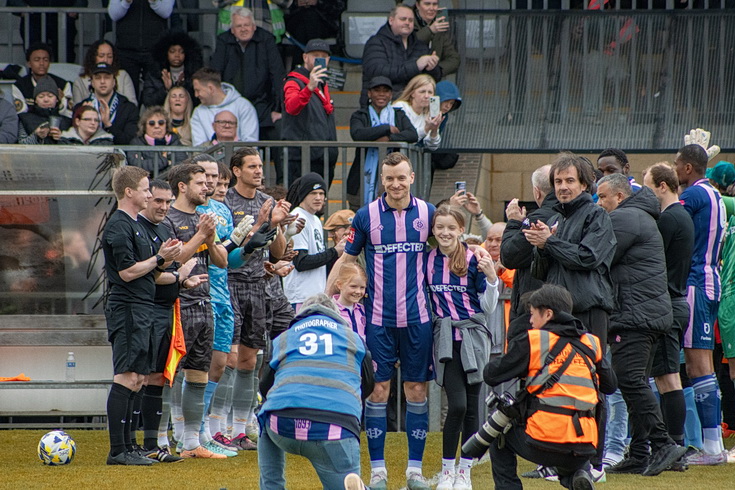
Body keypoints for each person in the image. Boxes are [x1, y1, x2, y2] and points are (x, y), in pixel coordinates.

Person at [331, 152, 435, 490]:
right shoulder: (366, 215)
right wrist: (323, 300)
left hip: (418, 318)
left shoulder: (428, 214)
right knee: (378, 390)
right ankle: (378, 472)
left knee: (416, 389)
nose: (395, 184)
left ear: (412, 178)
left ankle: (414, 472)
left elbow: (450, 248)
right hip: (377, 320)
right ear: (382, 181)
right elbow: (347, 259)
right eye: (389, 178)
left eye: (401, 177)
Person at [523, 152, 616, 477]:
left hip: (588, 312)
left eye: (569, 181)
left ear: (585, 183)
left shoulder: (597, 216)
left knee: (590, 385)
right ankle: (558, 459)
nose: (563, 187)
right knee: (554, 385)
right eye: (558, 182)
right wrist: (538, 246)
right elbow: (541, 269)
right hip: (556, 315)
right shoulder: (552, 219)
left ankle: (593, 463)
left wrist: (550, 242)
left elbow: (588, 258)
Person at [595, 174, 686, 476]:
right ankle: (638, 453)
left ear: (619, 197)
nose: (599, 203)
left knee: (630, 379)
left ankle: (663, 444)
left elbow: (597, 257)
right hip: (645, 312)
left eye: (602, 197)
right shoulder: (639, 215)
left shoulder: (625, 218)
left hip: (635, 315)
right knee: (636, 380)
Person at [484, 284, 617, 490]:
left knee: (498, 433)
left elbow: (492, 375)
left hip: (544, 440)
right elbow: (610, 386)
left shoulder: (535, 341)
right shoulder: (591, 342)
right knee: (569, 453)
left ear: (547, 314)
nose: (530, 321)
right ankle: (577, 475)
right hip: (586, 445)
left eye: (532, 314)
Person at [101, 165, 182, 465]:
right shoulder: (119, 226)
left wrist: (166, 260)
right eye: (146, 189)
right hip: (127, 308)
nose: (150, 194)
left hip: (144, 307)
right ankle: (117, 450)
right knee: (126, 376)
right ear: (129, 191)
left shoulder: (135, 224)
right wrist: (160, 258)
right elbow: (126, 271)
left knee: (139, 378)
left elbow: (150, 269)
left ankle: (132, 446)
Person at [257, 293, 374, 489]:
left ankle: (272, 486)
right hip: (335, 426)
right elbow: (368, 384)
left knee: (263, 414)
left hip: (282, 424)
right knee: (343, 480)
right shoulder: (353, 338)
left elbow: (265, 385)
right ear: (337, 315)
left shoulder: (284, 338)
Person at [428, 205, 499, 490]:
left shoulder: (473, 258)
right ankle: (447, 470)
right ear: (433, 230)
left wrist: (492, 278)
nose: (445, 233)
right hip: (446, 341)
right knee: (457, 405)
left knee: (472, 409)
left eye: (451, 227)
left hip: (474, 340)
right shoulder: (426, 259)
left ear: (461, 229)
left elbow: (488, 307)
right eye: (439, 227)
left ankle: (464, 472)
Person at [162, 163, 229, 459]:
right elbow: (173, 261)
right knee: (169, 375)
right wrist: (201, 235)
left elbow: (222, 262)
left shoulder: (203, 219)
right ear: (182, 186)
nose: (207, 187)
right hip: (179, 305)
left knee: (199, 374)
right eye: (200, 183)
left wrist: (210, 238)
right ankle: (161, 439)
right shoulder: (169, 219)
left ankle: (191, 444)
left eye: (207, 182)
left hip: (204, 303)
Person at [225, 147, 290, 451]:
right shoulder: (226, 201)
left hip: (259, 286)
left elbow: (277, 252)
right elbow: (226, 248)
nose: (258, 171)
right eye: (251, 166)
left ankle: (240, 429)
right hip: (231, 282)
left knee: (250, 361)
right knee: (228, 358)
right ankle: (218, 427)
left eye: (260, 166)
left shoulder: (267, 201)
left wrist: (275, 223)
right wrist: (258, 225)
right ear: (236, 170)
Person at [137, 179, 204, 463]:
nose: (164, 207)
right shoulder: (135, 229)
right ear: (146, 199)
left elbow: (169, 273)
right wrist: (178, 276)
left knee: (156, 378)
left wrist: (183, 281)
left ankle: (152, 445)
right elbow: (149, 275)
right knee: (134, 378)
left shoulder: (165, 229)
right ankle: (127, 445)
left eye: (167, 201)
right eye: (158, 201)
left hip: (167, 310)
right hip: (143, 311)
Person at [674, 144, 729, 464]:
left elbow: (668, 214)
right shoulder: (714, 195)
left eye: (677, 166)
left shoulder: (694, 195)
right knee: (703, 365)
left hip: (696, 283)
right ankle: (713, 443)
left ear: (687, 169)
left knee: (698, 366)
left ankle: (711, 448)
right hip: (709, 280)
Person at [643, 162, 695, 462]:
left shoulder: (670, 219)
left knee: (667, 378)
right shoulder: (682, 216)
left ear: (663, 186)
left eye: (650, 187)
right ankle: (674, 445)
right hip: (677, 302)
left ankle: (673, 447)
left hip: (668, 303)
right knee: (667, 377)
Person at [210, 7, 285, 164]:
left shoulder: (266, 39)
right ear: (232, 29)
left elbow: (277, 75)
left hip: (263, 106)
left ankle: (280, 185)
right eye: (239, 26)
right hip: (231, 108)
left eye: (246, 25)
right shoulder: (224, 41)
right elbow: (215, 74)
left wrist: (278, 109)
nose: (243, 29)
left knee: (279, 140)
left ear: (254, 26)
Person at [347, 76, 418, 207]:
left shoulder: (398, 115)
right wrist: (387, 128)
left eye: (385, 91)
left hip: (393, 177)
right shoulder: (360, 115)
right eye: (377, 90)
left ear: (391, 95)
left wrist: (389, 139)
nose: (381, 94)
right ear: (369, 93)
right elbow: (358, 134)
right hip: (360, 179)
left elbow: (412, 134)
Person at [501, 165, 558, 320]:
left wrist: (513, 222)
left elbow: (509, 256)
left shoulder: (537, 220)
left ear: (536, 191)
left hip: (535, 309)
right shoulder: (579, 214)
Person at [282, 172, 345, 310]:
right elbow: (301, 262)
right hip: (300, 297)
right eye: (313, 193)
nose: (318, 198)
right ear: (303, 194)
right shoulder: (297, 217)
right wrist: (334, 251)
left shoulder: (315, 219)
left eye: (321, 193)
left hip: (316, 297)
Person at [281, 38, 338, 185]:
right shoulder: (294, 81)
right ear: (305, 57)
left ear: (328, 60)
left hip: (323, 158)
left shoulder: (322, 83)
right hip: (302, 158)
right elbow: (291, 107)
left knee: (319, 205)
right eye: (315, 55)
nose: (319, 59)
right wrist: (309, 88)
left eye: (323, 56)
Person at [361, 4, 440, 107]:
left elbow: (435, 78)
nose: (407, 23)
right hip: (382, 107)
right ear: (391, 20)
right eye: (403, 19)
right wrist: (416, 66)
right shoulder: (376, 42)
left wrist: (432, 67)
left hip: (414, 108)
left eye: (410, 20)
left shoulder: (420, 45)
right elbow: (378, 72)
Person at [107, 0, 175, 96]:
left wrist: (154, 2)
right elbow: (113, 14)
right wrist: (126, 2)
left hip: (155, 50)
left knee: (154, 93)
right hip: (126, 49)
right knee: (126, 93)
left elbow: (166, 12)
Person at [190, 67, 259, 146]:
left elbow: (250, 144)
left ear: (211, 89)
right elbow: (199, 147)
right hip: (208, 158)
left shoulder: (243, 106)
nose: (196, 95)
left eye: (198, 90)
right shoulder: (198, 112)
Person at [75, 62, 138, 145]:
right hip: (88, 155)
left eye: (107, 78)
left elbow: (130, 141)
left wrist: (108, 124)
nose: (102, 81)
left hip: (118, 156)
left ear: (114, 82)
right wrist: (85, 121)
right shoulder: (80, 108)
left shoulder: (129, 108)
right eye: (97, 78)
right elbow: (75, 141)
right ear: (92, 83)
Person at [142, 31, 203, 108]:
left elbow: (199, 101)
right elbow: (148, 102)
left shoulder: (195, 75)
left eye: (181, 52)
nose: (177, 55)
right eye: (172, 51)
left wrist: (184, 86)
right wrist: (165, 89)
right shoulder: (154, 74)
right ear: (165, 53)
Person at [13, 42, 73, 116]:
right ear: (29, 63)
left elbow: (69, 115)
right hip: (30, 125)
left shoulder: (63, 84)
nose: (41, 63)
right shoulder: (20, 86)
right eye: (37, 60)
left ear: (49, 63)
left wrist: (63, 101)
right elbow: (21, 114)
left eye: (45, 60)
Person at [72, 40, 137, 106]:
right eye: (101, 56)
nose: (105, 60)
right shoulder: (80, 82)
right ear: (93, 57)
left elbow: (132, 105)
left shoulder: (123, 76)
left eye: (109, 56)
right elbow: (77, 111)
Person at [126, 106, 183, 177]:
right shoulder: (136, 143)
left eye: (161, 123)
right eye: (151, 123)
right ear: (144, 126)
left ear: (166, 125)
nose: (156, 126)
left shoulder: (174, 141)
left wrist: (158, 178)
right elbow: (138, 167)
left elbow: (180, 166)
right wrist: (164, 161)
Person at [393, 74, 443, 151]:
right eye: (422, 92)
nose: (426, 96)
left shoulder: (428, 114)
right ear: (412, 93)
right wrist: (426, 129)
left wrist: (434, 130)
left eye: (430, 92)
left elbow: (433, 147)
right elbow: (406, 138)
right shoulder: (400, 107)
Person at [412, 0, 460, 78]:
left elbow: (454, 58)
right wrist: (430, 30)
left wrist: (436, 70)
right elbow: (409, 44)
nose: (431, 8)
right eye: (427, 4)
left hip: (431, 80)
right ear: (417, 5)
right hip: (409, 77)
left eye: (435, 4)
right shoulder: (408, 21)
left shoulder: (440, 26)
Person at [17, 76, 71, 144]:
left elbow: (75, 144)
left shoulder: (67, 121)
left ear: (57, 99)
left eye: (50, 96)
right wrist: (36, 136)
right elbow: (21, 144)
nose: (46, 100)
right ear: (35, 100)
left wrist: (61, 137)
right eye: (41, 96)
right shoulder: (25, 119)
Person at [431, 80, 463, 172]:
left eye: (451, 103)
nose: (448, 106)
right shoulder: (427, 111)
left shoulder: (444, 116)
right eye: (446, 101)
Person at [332, 262, 368, 339]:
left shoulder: (363, 310)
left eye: (362, 287)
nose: (358, 291)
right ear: (339, 284)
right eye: (353, 286)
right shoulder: (331, 311)